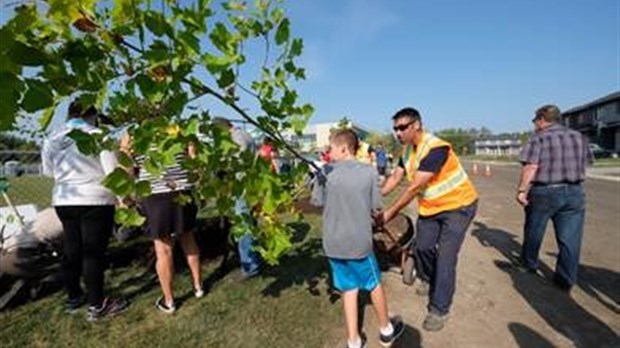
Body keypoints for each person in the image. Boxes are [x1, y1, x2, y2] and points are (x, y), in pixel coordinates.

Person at [379, 107, 478, 332]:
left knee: (445, 255)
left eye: (402, 127)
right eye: (395, 128)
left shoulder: (436, 148)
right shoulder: (406, 151)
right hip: (431, 208)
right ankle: (428, 277)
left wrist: (389, 213)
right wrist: (377, 194)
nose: (398, 132)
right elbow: (396, 177)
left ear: (417, 125)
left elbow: (414, 187)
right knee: (422, 248)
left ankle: (439, 309)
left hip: (458, 206)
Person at [311, 129, 405, 348]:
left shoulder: (325, 172)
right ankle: (386, 331)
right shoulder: (368, 172)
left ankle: (353, 341)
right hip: (358, 244)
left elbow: (317, 202)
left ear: (344, 148)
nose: (328, 152)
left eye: (331, 147)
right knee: (373, 284)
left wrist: (320, 178)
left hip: (333, 243)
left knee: (349, 289)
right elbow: (376, 208)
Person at [41, 101, 128, 321]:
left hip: (64, 199)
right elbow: (111, 171)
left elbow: (48, 171)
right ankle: (97, 305)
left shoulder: (53, 136)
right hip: (95, 200)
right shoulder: (98, 134)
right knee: (93, 253)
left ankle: (73, 297)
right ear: (93, 115)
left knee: (71, 249)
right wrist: (122, 199)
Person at [120, 130, 203, 314]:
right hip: (182, 190)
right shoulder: (179, 128)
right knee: (188, 237)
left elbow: (127, 167)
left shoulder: (134, 134)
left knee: (163, 249)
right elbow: (194, 161)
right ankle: (198, 287)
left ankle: (169, 301)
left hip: (155, 193)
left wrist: (126, 194)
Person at [516, 104, 591, 292]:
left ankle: (529, 264)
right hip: (575, 191)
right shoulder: (579, 137)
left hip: (545, 191)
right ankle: (566, 278)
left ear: (542, 119)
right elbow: (586, 163)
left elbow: (531, 166)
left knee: (534, 229)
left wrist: (522, 190)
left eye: (535, 120)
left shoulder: (539, 138)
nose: (534, 124)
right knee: (570, 239)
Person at [212, 117, 262, 279]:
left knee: (243, 226)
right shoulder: (245, 134)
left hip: (242, 187)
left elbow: (238, 157)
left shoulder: (237, 137)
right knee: (250, 224)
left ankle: (250, 266)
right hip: (249, 185)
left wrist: (223, 167)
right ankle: (256, 259)